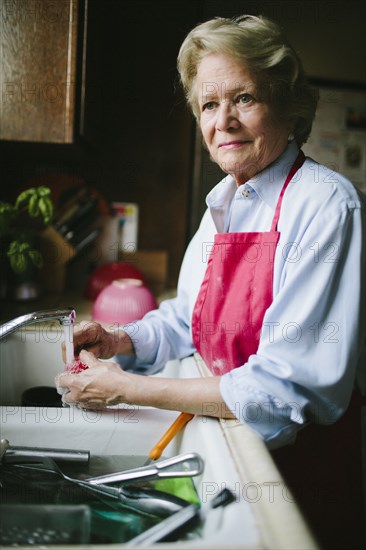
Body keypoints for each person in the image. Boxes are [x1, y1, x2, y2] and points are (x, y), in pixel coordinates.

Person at [57, 15, 365, 452]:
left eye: (244, 98)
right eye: (208, 105)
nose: (224, 121)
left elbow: (282, 391)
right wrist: (118, 339)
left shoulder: (326, 203)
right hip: (228, 434)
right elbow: (187, 319)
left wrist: (126, 388)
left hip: (297, 466)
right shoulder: (223, 203)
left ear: (287, 106)